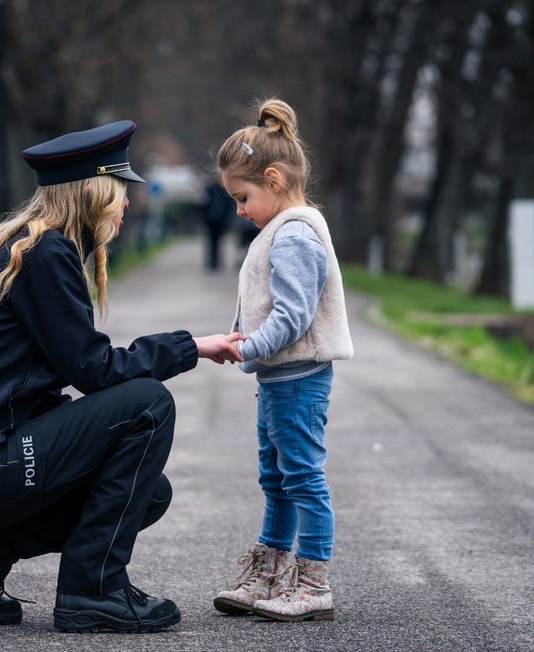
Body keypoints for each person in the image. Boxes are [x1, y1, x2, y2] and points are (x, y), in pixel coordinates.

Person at [0, 119, 244, 634]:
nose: (127, 203)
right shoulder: (45, 255)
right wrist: (189, 346)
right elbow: (95, 370)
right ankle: (94, 590)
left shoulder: (27, 247)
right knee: (147, 405)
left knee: (147, 493)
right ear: (93, 193)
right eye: (120, 191)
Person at [211, 99, 354, 622]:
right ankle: (270, 571)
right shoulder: (280, 228)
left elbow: (292, 316)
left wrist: (248, 347)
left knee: (302, 477)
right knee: (276, 478)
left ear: (273, 179)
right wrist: (252, 349)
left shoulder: (294, 233)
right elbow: (267, 304)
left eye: (242, 197)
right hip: (281, 378)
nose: (239, 209)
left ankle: (312, 581)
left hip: (298, 379)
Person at [199, 180, 233, 270]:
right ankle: (211, 262)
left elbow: (228, 206)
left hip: (221, 220)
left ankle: (217, 261)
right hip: (210, 221)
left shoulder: (223, 191)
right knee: (211, 242)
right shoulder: (208, 190)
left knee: (219, 241)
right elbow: (202, 205)